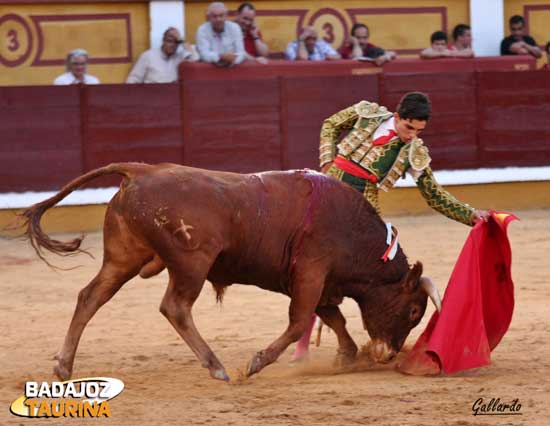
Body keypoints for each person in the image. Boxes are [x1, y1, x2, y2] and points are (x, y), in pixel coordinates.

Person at [292, 92, 490, 362]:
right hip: (327, 189)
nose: (412, 135)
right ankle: (302, 345)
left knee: (344, 271)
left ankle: (367, 338)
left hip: (361, 211)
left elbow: (434, 194)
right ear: (396, 117)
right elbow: (330, 124)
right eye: (409, 127)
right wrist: (327, 160)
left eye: (419, 131)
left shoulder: (414, 151)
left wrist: (470, 215)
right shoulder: (367, 113)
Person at [126, 27, 198, 84]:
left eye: (176, 42)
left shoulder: (179, 57)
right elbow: (134, 79)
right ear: (163, 41)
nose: (173, 45)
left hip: (171, 97)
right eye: (169, 41)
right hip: (150, 96)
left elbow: (195, 58)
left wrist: (182, 40)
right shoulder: (148, 56)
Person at [196, 2, 246, 67]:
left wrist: (233, 60)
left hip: (232, 69)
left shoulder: (235, 28)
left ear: (226, 16)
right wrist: (219, 57)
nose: (218, 19)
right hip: (211, 72)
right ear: (209, 17)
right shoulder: (202, 30)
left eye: (221, 15)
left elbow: (241, 53)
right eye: (214, 16)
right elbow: (204, 54)